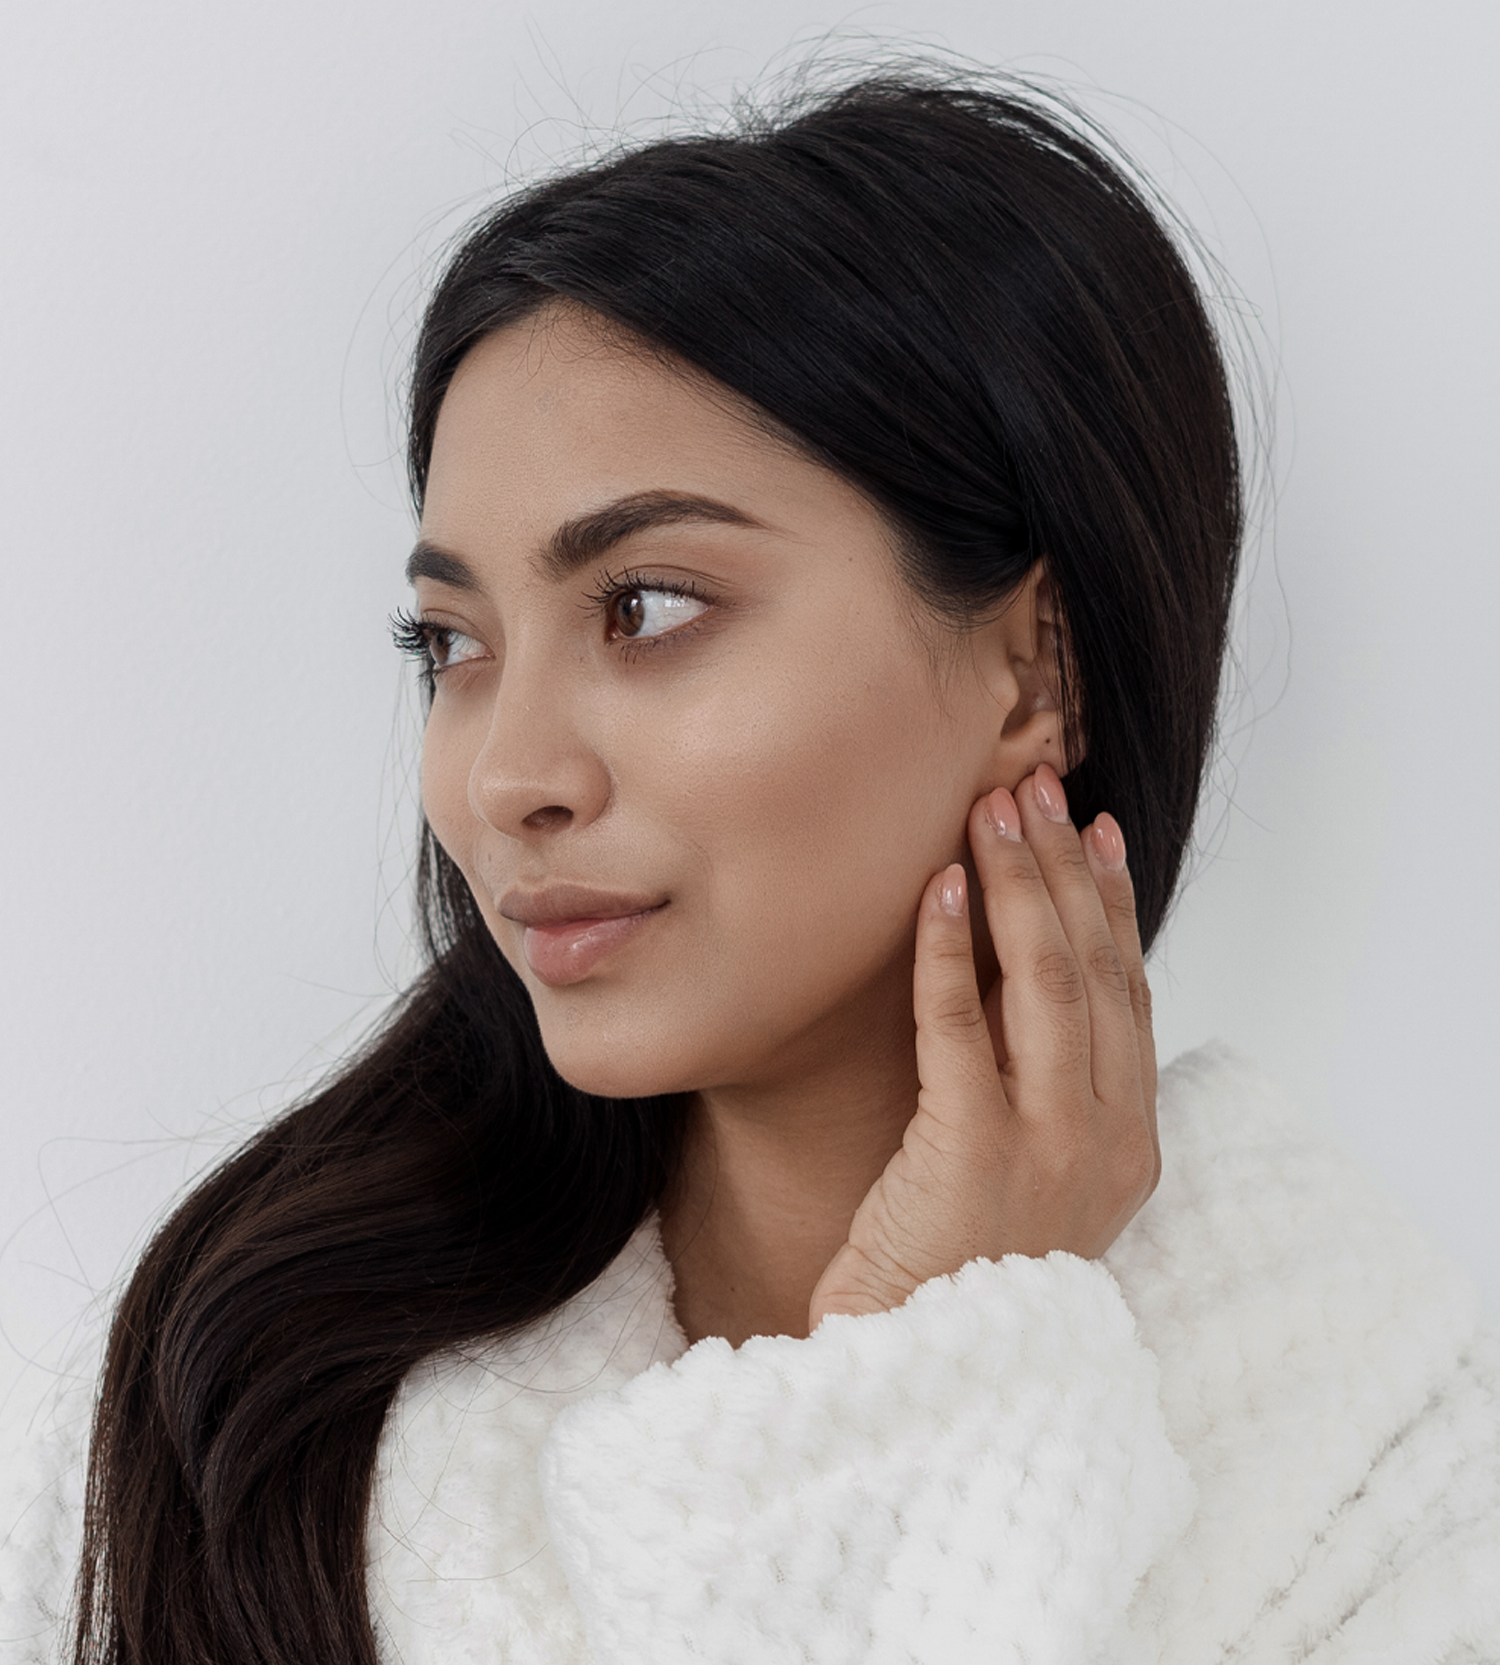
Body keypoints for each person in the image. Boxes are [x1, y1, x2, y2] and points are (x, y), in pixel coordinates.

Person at [3, 68, 1497, 1665]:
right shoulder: (230, 1405)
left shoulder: (1378, 1478)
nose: (507, 775)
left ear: (1034, 668)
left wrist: (928, 1370)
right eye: (451, 641)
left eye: (645, 607)